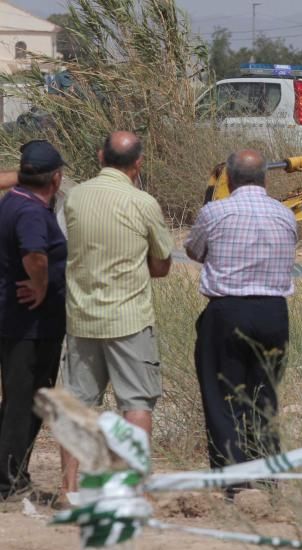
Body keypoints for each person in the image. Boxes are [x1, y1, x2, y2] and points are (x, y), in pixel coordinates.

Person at [63, 132, 173, 488]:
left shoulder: (75, 197)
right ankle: (135, 489)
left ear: (100, 156)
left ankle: (68, 488)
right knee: (136, 404)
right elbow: (162, 265)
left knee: (77, 406)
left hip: (82, 317)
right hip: (130, 319)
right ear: (138, 163)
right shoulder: (143, 203)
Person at [185, 150, 296, 480]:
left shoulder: (215, 212)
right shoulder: (285, 214)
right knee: (265, 397)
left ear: (229, 180)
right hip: (275, 313)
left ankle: (233, 481)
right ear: (266, 178)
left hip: (228, 310)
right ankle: (266, 476)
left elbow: (195, 250)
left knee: (224, 398)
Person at [0, 141, 66, 503]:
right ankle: (8, 481)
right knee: (25, 402)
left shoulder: (15, 199)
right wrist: (41, 285)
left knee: (18, 401)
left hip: (19, 321)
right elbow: (35, 254)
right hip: (30, 324)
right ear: (55, 179)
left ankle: (10, 472)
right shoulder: (30, 213)